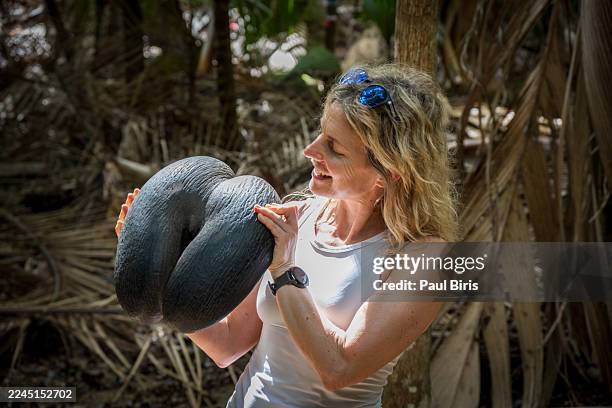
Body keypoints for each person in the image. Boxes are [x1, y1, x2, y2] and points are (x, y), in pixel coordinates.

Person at [116, 64, 458, 407]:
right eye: (320, 134)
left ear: (390, 172)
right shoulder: (299, 216)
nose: (311, 151)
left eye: (334, 148)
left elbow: (339, 368)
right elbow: (229, 344)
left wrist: (284, 272)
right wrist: (155, 263)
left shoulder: (424, 259)